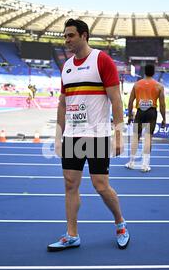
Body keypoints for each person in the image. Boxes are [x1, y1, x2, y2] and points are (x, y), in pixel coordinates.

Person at [48, 18, 129, 252]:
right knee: (70, 184)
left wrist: (119, 135)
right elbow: (63, 103)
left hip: (97, 135)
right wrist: (59, 135)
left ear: (84, 35)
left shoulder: (101, 60)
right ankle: (72, 234)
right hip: (73, 136)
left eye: (70, 35)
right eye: (65, 36)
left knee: (101, 185)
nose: (66, 40)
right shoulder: (67, 67)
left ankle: (120, 224)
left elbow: (116, 99)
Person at [125, 64, 166, 172]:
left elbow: (130, 102)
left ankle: (132, 163)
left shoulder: (137, 84)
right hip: (151, 112)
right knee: (148, 138)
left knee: (136, 137)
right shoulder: (159, 86)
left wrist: (130, 115)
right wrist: (164, 118)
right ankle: (145, 165)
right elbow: (162, 105)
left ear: (144, 72)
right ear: (153, 73)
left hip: (140, 112)